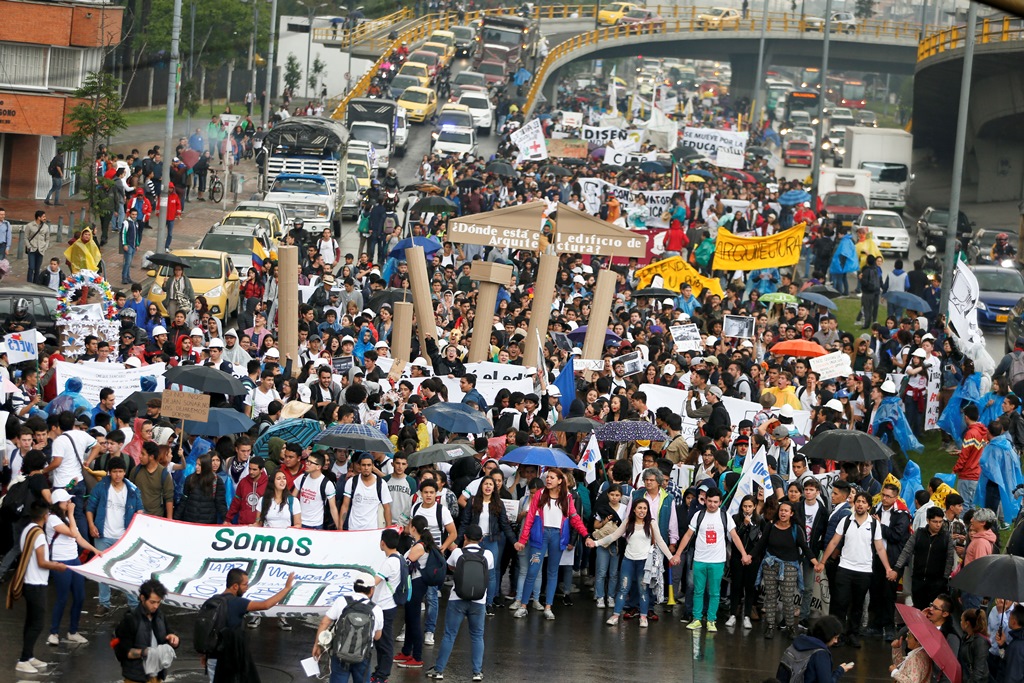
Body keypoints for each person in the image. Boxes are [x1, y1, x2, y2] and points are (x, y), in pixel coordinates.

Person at [819, 491, 897, 648]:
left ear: (869, 506)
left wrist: (888, 568)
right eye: (858, 501)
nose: (860, 504)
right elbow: (834, 542)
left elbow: (880, 548)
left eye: (863, 502)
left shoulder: (874, 524)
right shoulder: (845, 520)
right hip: (844, 568)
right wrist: (822, 561)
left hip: (864, 571)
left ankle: (852, 634)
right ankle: (837, 635)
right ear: (854, 504)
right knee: (840, 603)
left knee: (858, 605)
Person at [513, 468, 592, 621]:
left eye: (552, 478)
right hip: (540, 535)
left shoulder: (567, 497)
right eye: (547, 477)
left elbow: (575, 518)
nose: (548, 480)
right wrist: (523, 540)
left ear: (560, 481)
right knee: (533, 570)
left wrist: (586, 535)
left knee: (552, 572)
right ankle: (523, 606)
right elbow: (529, 518)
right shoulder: (539, 494)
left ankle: (548, 606)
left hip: (558, 536)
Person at [587, 497, 678, 628]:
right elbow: (613, 536)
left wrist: (671, 557)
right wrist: (595, 543)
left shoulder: (651, 523)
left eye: (645, 508)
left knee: (643, 590)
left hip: (644, 563)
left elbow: (661, 541)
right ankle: (615, 615)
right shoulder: (628, 521)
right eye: (639, 508)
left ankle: (643, 616)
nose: (642, 511)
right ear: (634, 510)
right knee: (623, 589)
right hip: (628, 561)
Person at [673, 486, 752, 632]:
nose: (712, 504)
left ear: (720, 502)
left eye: (716, 502)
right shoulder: (698, 515)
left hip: (717, 561)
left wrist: (744, 554)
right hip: (699, 560)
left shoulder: (725, 516)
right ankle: (697, 619)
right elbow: (688, 535)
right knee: (698, 590)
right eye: (710, 501)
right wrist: (677, 554)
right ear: (705, 501)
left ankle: (711, 620)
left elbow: (734, 536)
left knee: (714, 592)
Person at [425, 524, 494, 681]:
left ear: (465, 538)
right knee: (477, 636)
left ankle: (439, 670)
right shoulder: (488, 555)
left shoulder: (457, 552)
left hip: (457, 599)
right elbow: (488, 570)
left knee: (450, 634)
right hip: (479, 600)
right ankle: (477, 672)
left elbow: (450, 566)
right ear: (481, 539)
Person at [205, 567, 295, 682]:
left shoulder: (212, 601)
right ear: (235, 586)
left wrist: (204, 654)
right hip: (228, 661)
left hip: (212, 658)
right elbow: (266, 605)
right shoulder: (238, 603)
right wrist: (286, 588)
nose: (247, 588)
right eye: (245, 584)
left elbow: (206, 629)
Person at [11, 501, 68, 674]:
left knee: (30, 622)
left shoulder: (27, 530)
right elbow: (42, 562)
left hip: (28, 583)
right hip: (37, 584)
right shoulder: (40, 535)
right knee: (37, 624)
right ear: (45, 516)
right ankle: (22, 660)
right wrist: (57, 566)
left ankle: (29, 656)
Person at [86, 456, 144, 617]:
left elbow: (140, 510)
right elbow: (90, 508)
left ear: (125, 472)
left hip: (124, 538)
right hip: (103, 536)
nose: (118, 475)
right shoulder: (101, 487)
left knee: (126, 572)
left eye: (120, 472)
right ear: (109, 472)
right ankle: (104, 603)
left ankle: (133, 604)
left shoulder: (132, 490)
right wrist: (91, 525)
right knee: (102, 571)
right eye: (114, 472)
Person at [44, 489, 102, 646]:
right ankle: (53, 632)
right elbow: (71, 533)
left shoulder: (67, 519)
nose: (70, 503)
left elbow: (78, 538)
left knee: (80, 596)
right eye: (66, 501)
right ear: (58, 504)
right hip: (60, 562)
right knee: (62, 598)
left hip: (74, 560)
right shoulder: (52, 519)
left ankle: (73, 631)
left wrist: (94, 550)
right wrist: (71, 513)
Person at [752, 499, 815, 639]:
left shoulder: (796, 529)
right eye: (781, 510)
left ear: (791, 513)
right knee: (770, 597)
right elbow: (761, 544)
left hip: (790, 566)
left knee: (787, 598)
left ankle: (791, 626)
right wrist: (750, 556)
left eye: (786, 511)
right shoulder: (770, 525)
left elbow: (805, 547)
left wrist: (816, 562)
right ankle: (769, 626)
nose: (783, 513)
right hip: (770, 564)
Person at [313, 573, 383, 683]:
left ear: (355, 586)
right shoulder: (376, 609)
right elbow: (378, 636)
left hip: (340, 653)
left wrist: (317, 644)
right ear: (372, 590)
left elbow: (324, 623)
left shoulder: (342, 601)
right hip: (363, 655)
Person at [113, 579, 180, 683]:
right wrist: (146, 652)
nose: (156, 606)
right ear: (142, 598)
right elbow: (123, 652)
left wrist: (173, 640)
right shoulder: (130, 620)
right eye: (152, 602)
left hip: (157, 675)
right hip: (136, 677)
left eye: (158, 602)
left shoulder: (160, 617)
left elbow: (169, 635)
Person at [893, 506, 955, 610]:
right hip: (919, 580)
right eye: (935, 521)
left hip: (937, 582)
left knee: (934, 611)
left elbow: (950, 558)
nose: (938, 525)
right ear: (928, 520)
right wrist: (897, 567)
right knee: (918, 609)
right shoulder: (919, 533)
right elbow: (906, 551)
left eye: (940, 522)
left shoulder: (946, 537)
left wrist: (944, 578)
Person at [776, 614, 853, 683]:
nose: (836, 641)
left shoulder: (796, 644)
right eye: (835, 637)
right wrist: (840, 671)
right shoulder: (820, 654)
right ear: (828, 635)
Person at [339, 452, 393, 530]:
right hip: (353, 528)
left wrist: (388, 529)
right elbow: (345, 506)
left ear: (372, 466)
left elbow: (387, 508)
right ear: (360, 466)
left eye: (369, 465)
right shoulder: (352, 482)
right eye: (363, 465)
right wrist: (340, 527)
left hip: (372, 530)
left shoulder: (381, 484)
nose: (366, 468)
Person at [959, 608, 990, 683]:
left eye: (961, 620)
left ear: (967, 623)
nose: (960, 622)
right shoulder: (966, 637)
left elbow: (978, 671)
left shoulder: (980, 642)